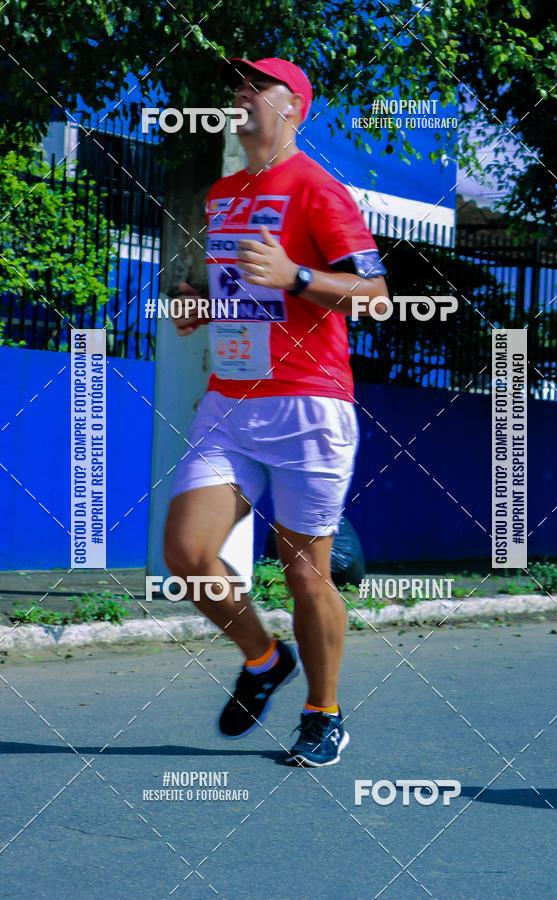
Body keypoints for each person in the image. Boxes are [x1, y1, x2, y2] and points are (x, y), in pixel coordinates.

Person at [163, 57, 388, 766]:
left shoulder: (320, 189)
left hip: (309, 406)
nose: (243, 94)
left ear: (294, 108)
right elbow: (244, 290)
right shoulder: (223, 192)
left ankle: (324, 714)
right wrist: (206, 307)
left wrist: (295, 275)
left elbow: (375, 296)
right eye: (239, 86)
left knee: (305, 574)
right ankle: (264, 660)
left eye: (259, 86)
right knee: (189, 553)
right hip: (231, 399)